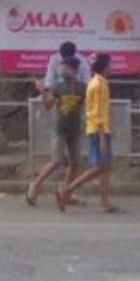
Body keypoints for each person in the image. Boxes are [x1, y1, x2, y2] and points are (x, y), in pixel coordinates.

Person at [57, 53, 122, 214]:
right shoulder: (100, 85)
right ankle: (66, 190)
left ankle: (105, 202)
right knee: (100, 167)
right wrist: (102, 137)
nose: (111, 68)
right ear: (105, 66)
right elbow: (98, 112)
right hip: (98, 130)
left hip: (97, 128)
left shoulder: (95, 82)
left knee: (105, 168)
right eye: (109, 65)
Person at [25, 55, 87, 207]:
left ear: (75, 70)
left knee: (75, 163)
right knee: (57, 161)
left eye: (67, 68)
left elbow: (85, 105)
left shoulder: (81, 87)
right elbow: (48, 106)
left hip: (75, 129)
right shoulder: (58, 86)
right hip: (60, 128)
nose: (63, 70)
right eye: (62, 67)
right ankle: (35, 185)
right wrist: (43, 92)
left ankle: (65, 192)